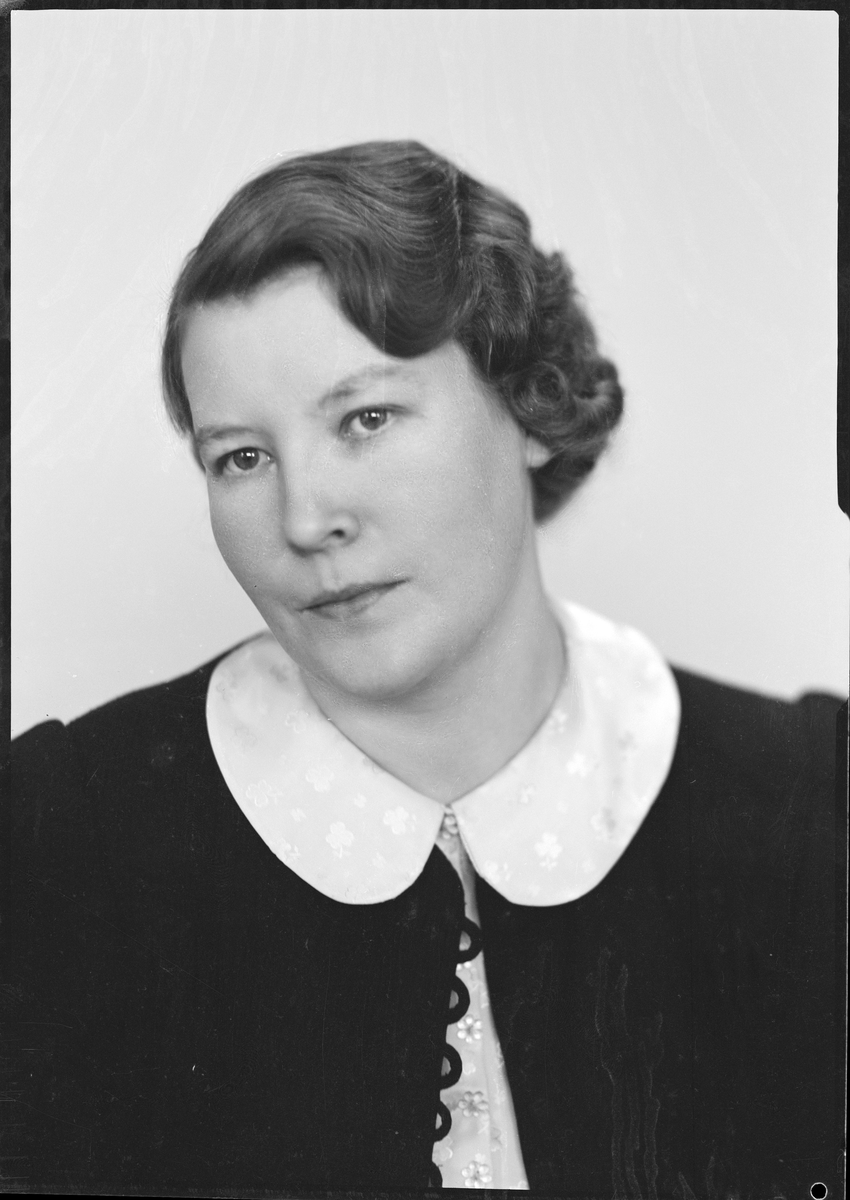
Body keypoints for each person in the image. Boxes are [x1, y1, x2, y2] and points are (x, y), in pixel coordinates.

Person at [9, 141, 842, 1197]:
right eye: (242, 457)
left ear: (530, 402)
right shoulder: (57, 836)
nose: (306, 519)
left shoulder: (815, 803)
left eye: (366, 419)